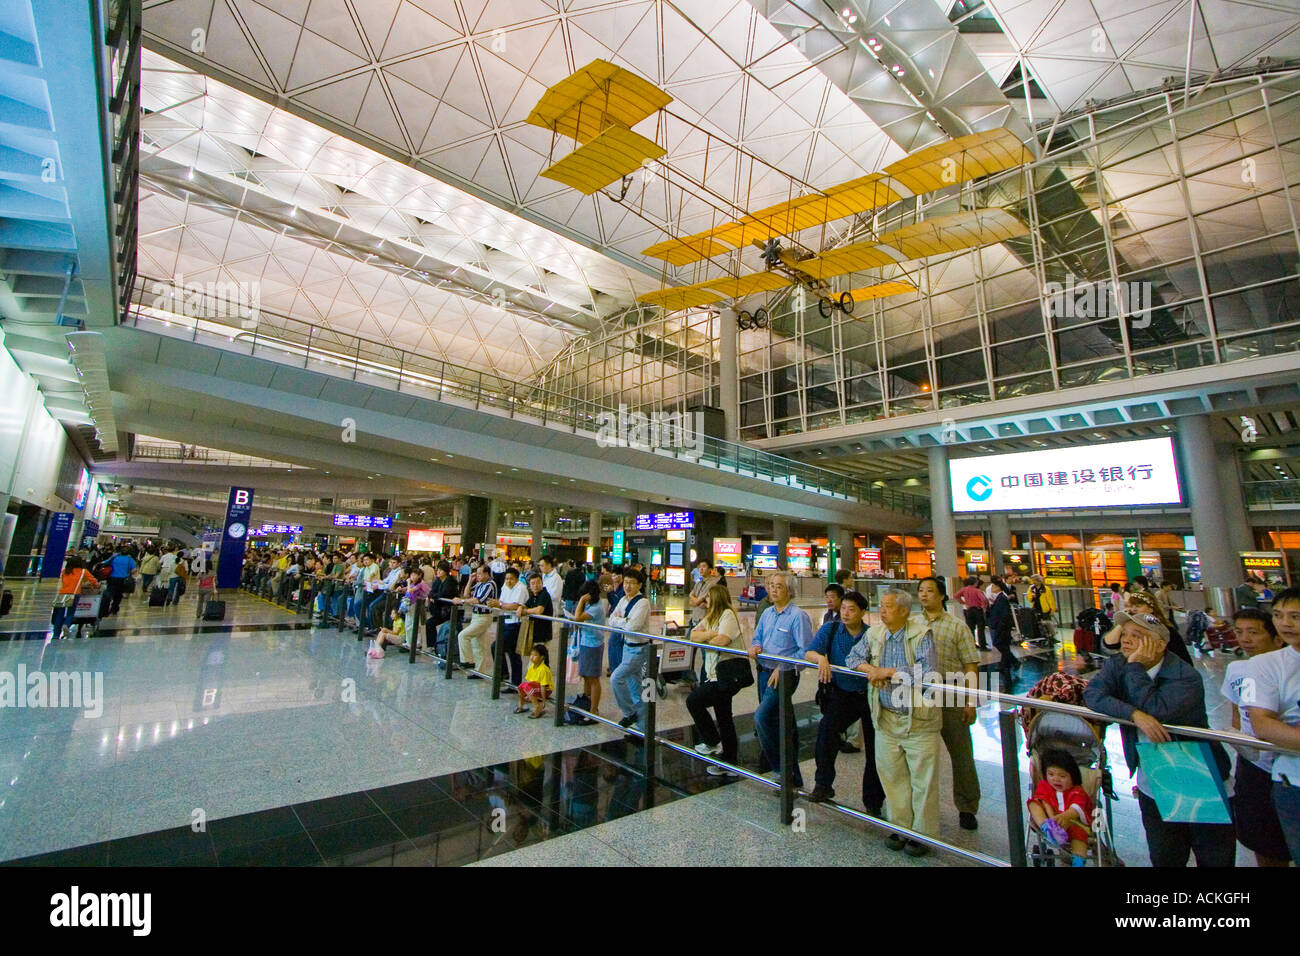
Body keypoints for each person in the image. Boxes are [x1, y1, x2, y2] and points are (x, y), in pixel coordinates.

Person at [1083, 609, 1235, 866]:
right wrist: (1133, 714)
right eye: (1125, 634)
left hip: (1196, 774)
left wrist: (1135, 669)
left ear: (1161, 644)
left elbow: (1157, 710)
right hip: (1152, 779)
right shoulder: (1119, 663)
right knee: (1165, 855)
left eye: (1137, 635)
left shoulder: (1185, 676)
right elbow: (1093, 694)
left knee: (1213, 856)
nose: (1126, 640)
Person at [846, 587, 941, 856]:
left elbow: (927, 672)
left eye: (888, 606)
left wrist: (888, 672)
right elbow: (853, 657)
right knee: (892, 776)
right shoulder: (876, 633)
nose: (882, 610)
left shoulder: (922, 635)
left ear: (904, 611)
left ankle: (922, 835)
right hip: (885, 717)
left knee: (922, 779)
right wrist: (871, 670)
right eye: (882, 605)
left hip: (919, 719)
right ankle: (900, 827)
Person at [1219, 607, 1289, 866]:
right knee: (1263, 840)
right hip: (1254, 767)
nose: (1245, 638)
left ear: (1276, 638)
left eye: (1254, 632)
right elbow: (1237, 714)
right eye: (1239, 632)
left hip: (1287, 765)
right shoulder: (1237, 669)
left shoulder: (1289, 671)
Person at [805, 590, 884, 812]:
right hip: (841, 693)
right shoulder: (831, 630)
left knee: (875, 748)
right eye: (843, 609)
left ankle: (873, 801)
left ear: (863, 612)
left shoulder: (872, 635)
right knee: (826, 732)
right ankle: (823, 783)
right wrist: (820, 657)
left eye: (851, 610)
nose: (846, 614)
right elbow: (810, 652)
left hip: (868, 695)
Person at [915, 576, 982, 831]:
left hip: (951, 694)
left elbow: (970, 664)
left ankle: (967, 806)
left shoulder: (957, 626)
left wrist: (971, 700)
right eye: (921, 591)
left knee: (961, 754)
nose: (924, 595)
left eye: (929, 591)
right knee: (921, 754)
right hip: (922, 695)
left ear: (942, 595)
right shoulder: (912, 623)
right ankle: (921, 804)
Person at [1241, 586, 1300, 864]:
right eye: (1278, 615)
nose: (1285, 623)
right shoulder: (1263, 665)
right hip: (1293, 783)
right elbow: (1262, 725)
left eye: (1295, 616)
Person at [748, 571, 814, 786]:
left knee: (762, 718)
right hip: (764, 672)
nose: (773, 590)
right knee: (783, 723)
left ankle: (779, 769)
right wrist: (756, 646)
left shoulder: (797, 616)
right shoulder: (767, 613)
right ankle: (792, 776)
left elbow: (805, 652)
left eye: (778, 586)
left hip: (784, 676)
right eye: (771, 585)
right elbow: (758, 636)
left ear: (790, 590)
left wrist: (783, 667)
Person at [686, 584, 747, 777]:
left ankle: (713, 742)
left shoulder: (727, 615)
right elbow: (692, 635)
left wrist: (707, 637)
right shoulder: (711, 616)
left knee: (694, 700)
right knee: (723, 715)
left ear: (717, 599)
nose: (706, 602)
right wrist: (709, 634)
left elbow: (722, 640)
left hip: (726, 675)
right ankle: (729, 760)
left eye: (708, 598)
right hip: (714, 675)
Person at [1027, 748, 1094, 865]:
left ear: (1073, 777)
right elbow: (1044, 801)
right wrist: (1051, 820)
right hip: (1049, 821)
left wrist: (1066, 816)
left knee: (1079, 835)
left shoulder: (1077, 791)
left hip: (1072, 822)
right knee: (1034, 803)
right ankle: (1046, 827)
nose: (1055, 779)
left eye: (1062, 776)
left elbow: (1077, 807)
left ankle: (1078, 860)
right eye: (1051, 774)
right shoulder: (1045, 786)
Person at [609, 567, 652, 735]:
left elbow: (633, 627)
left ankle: (629, 713)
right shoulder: (623, 600)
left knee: (616, 678)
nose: (627, 586)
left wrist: (622, 621)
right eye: (625, 582)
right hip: (627, 647)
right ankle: (642, 728)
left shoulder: (643, 602)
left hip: (639, 650)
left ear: (639, 585)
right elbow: (611, 619)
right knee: (636, 689)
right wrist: (624, 620)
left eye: (631, 583)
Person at [570, 579, 608, 716]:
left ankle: (593, 710)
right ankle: (587, 703)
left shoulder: (596, 607)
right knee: (586, 676)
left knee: (593, 678)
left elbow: (577, 617)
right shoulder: (592, 605)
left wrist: (580, 601)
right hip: (586, 643)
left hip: (593, 645)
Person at [454, 564, 497, 678]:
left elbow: (478, 600)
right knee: (478, 645)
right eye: (476, 573)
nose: (477, 576)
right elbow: (467, 594)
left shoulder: (490, 585)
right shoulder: (479, 584)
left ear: (487, 574)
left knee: (463, 635)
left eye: (479, 573)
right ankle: (479, 671)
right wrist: (470, 581)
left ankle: (467, 660)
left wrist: (462, 601)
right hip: (476, 616)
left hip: (483, 617)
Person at [491, 567, 529, 686]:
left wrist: (500, 604)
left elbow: (515, 605)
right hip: (505, 623)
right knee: (512, 653)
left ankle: (505, 674)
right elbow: (502, 602)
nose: (508, 581)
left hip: (516, 624)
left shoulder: (521, 588)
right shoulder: (505, 587)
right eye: (507, 578)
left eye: (511, 579)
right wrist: (496, 604)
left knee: (498, 647)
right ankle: (513, 681)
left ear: (517, 579)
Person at [52, 556, 98, 638]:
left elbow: (63, 581)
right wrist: (96, 586)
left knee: (59, 614)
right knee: (71, 612)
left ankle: (56, 634)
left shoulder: (65, 571)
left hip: (62, 594)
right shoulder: (83, 571)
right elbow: (93, 581)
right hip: (74, 593)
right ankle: (66, 624)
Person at [986, 577, 1016, 689]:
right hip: (1000, 627)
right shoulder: (999, 598)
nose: (991, 588)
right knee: (1003, 646)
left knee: (1001, 645)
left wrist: (1001, 626)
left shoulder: (1002, 598)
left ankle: (1011, 662)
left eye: (993, 586)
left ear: (998, 587)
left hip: (1002, 627)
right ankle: (1006, 664)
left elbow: (1004, 615)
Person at [515, 644, 554, 719]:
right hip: (535, 688)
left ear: (542, 657)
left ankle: (537, 707)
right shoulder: (532, 667)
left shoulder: (543, 670)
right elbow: (528, 682)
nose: (532, 657)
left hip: (546, 689)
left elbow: (543, 687)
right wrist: (527, 694)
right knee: (520, 686)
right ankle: (521, 706)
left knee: (527, 686)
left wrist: (543, 700)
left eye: (535, 655)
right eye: (531, 655)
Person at [520, 571, 554, 652]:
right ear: (529, 586)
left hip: (543, 633)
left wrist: (525, 611)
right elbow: (526, 604)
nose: (536, 585)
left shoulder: (544, 594)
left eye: (538, 582)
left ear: (542, 583)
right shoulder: (534, 595)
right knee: (538, 659)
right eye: (533, 583)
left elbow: (539, 610)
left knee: (539, 658)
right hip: (535, 632)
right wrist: (520, 608)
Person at [956, 575, 989, 650]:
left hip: (969, 610)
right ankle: (982, 646)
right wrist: (983, 606)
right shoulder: (977, 590)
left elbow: (956, 596)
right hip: (977, 609)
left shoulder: (964, 589)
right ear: (975, 583)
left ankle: (972, 644)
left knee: (970, 628)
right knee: (980, 628)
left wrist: (963, 603)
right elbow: (984, 599)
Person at [103, 546, 137, 616]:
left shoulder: (115, 558)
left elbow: (104, 563)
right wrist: (129, 573)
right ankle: (114, 608)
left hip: (112, 578)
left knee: (109, 593)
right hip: (123, 580)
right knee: (118, 595)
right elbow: (134, 570)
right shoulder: (130, 559)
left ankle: (105, 608)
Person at [688, 559, 719, 625]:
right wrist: (698, 602)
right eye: (699, 567)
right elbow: (691, 602)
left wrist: (691, 595)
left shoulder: (711, 584)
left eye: (704, 566)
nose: (701, 569)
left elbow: (696, 602)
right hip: (695, 618)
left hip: (704, 620)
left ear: (710, 569)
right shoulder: (698, 583)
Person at [1027, 574, 1057, 643]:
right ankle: (1041, 637)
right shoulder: (1031, 588)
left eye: (1035, 581)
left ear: (1039, 581)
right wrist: (1032, 597)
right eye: (1033, 581)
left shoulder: (1046, 589)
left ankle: (1051, 637)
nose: (1034, 582)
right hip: (1035, 608)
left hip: (1045, 609)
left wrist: (1052, 609)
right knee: (1037, 623)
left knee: (1048, 624)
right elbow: (1029, 598)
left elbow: (1050, 600)